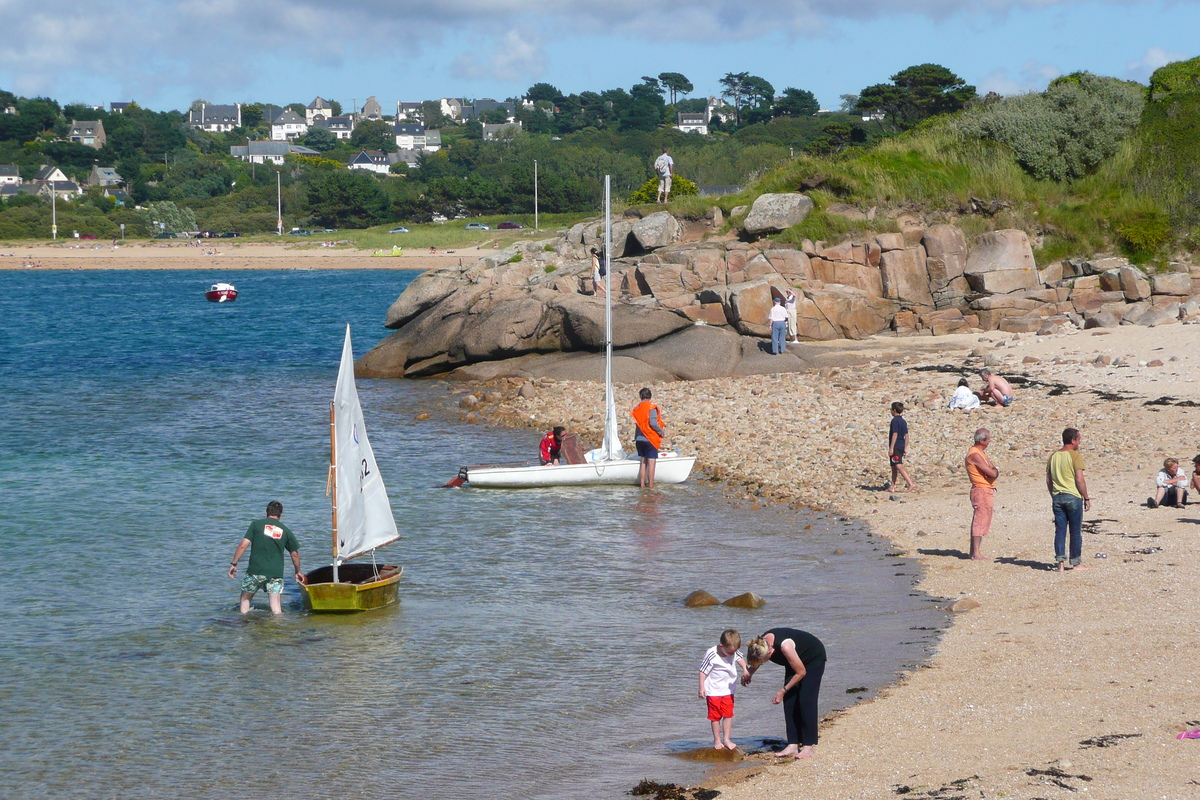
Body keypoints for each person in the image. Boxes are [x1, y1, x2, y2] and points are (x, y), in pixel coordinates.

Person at [742, 628, 827, 760]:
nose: (763, 663)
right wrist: (749, 673)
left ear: (770, 652)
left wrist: (782, 690)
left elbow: (801, 672)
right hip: (793, 660)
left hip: (812, 658)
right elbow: (757, 659)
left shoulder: (785, 647)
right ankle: (792, 745)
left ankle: (808, 746)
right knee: (790, 701)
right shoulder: (759, 645)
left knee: (806, 700)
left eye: (764, 661)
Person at [228, 501, 305, 614]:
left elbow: (243, 545)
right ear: (281, 514)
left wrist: (234, 564)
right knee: (276, 609)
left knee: (245, 601)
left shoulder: (256, 525)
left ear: (267, 512)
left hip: (255, 571)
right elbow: (294, 554)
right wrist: (297, 571)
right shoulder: (286, 531)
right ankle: (278, 629)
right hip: (275, 574)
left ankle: (243, 626)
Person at [1046, 427, 1092, 572]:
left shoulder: (1053, 456)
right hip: (1072, 496)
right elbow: (1079, 479)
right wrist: (1086, 497)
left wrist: (1053, 494)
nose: (1080, 442)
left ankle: (1060, 564)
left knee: (1060, 531)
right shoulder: (1074, 455)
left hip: (1057, 497)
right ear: (1073, 440)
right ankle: (1076, 562)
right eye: (1078, 439)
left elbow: (1048, 480)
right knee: (1075, 531)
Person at [698, 629, 747, 750]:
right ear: (722, 646)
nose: (731, 654)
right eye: (729, 652)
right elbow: (702, 671)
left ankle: (726, 739)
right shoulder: (712, 654)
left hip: (728, 689)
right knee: (715, 717)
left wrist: (745, 669)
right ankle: (717, 740)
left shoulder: (733, 650)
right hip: (713, 691)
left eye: (733, 652)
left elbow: (740, 658)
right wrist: (701, 687)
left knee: (728, 715)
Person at [965, 428, 999, 561]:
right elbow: (992, 472)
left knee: (983, 519)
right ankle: (975, 553)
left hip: (986, 489)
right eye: (988, 439)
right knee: (980, 520)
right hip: (981, 489)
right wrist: (993, 471)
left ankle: (974, 551)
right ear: (981, 440)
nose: (990, 441)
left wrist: (993, 471)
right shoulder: (975, 454)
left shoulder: (980, 453)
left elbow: (993, 470)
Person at [631, 387, 665, 488]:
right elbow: (653, 423)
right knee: (651, 462)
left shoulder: (637, 409)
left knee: (643, 462)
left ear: (641, 396)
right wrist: (661, 431)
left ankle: (642, 485)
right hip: (650, 439)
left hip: (639, 439)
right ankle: (650, 486)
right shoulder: (651, 407)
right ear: (650, 396)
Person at [887, 402, 916, 493]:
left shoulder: (895, 421)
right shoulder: (903, 421)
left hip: (896, 446)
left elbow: (895, 434)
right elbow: (906, 435)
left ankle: (910, 483)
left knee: (898, 465)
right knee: (893, 466)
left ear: (894, 410)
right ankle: (892, 486)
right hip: (901, 445)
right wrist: (905, 447)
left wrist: (891, 448)